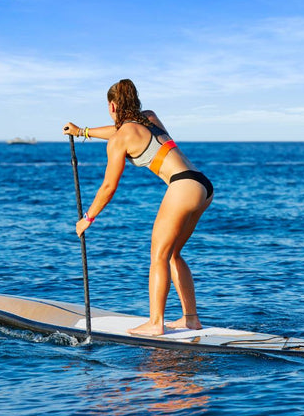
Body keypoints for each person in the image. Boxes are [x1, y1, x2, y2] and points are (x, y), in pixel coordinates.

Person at [63, 79, 213, 336]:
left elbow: (109, 187)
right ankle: (190, 319)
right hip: (202, 185)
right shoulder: (150, 117)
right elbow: (120, 130)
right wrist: (82, 132)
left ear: (112, 105)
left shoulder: (121, 138)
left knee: (158, 256)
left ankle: (156, 323)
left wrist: (88, 217)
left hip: (182, 186)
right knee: (174, 254)